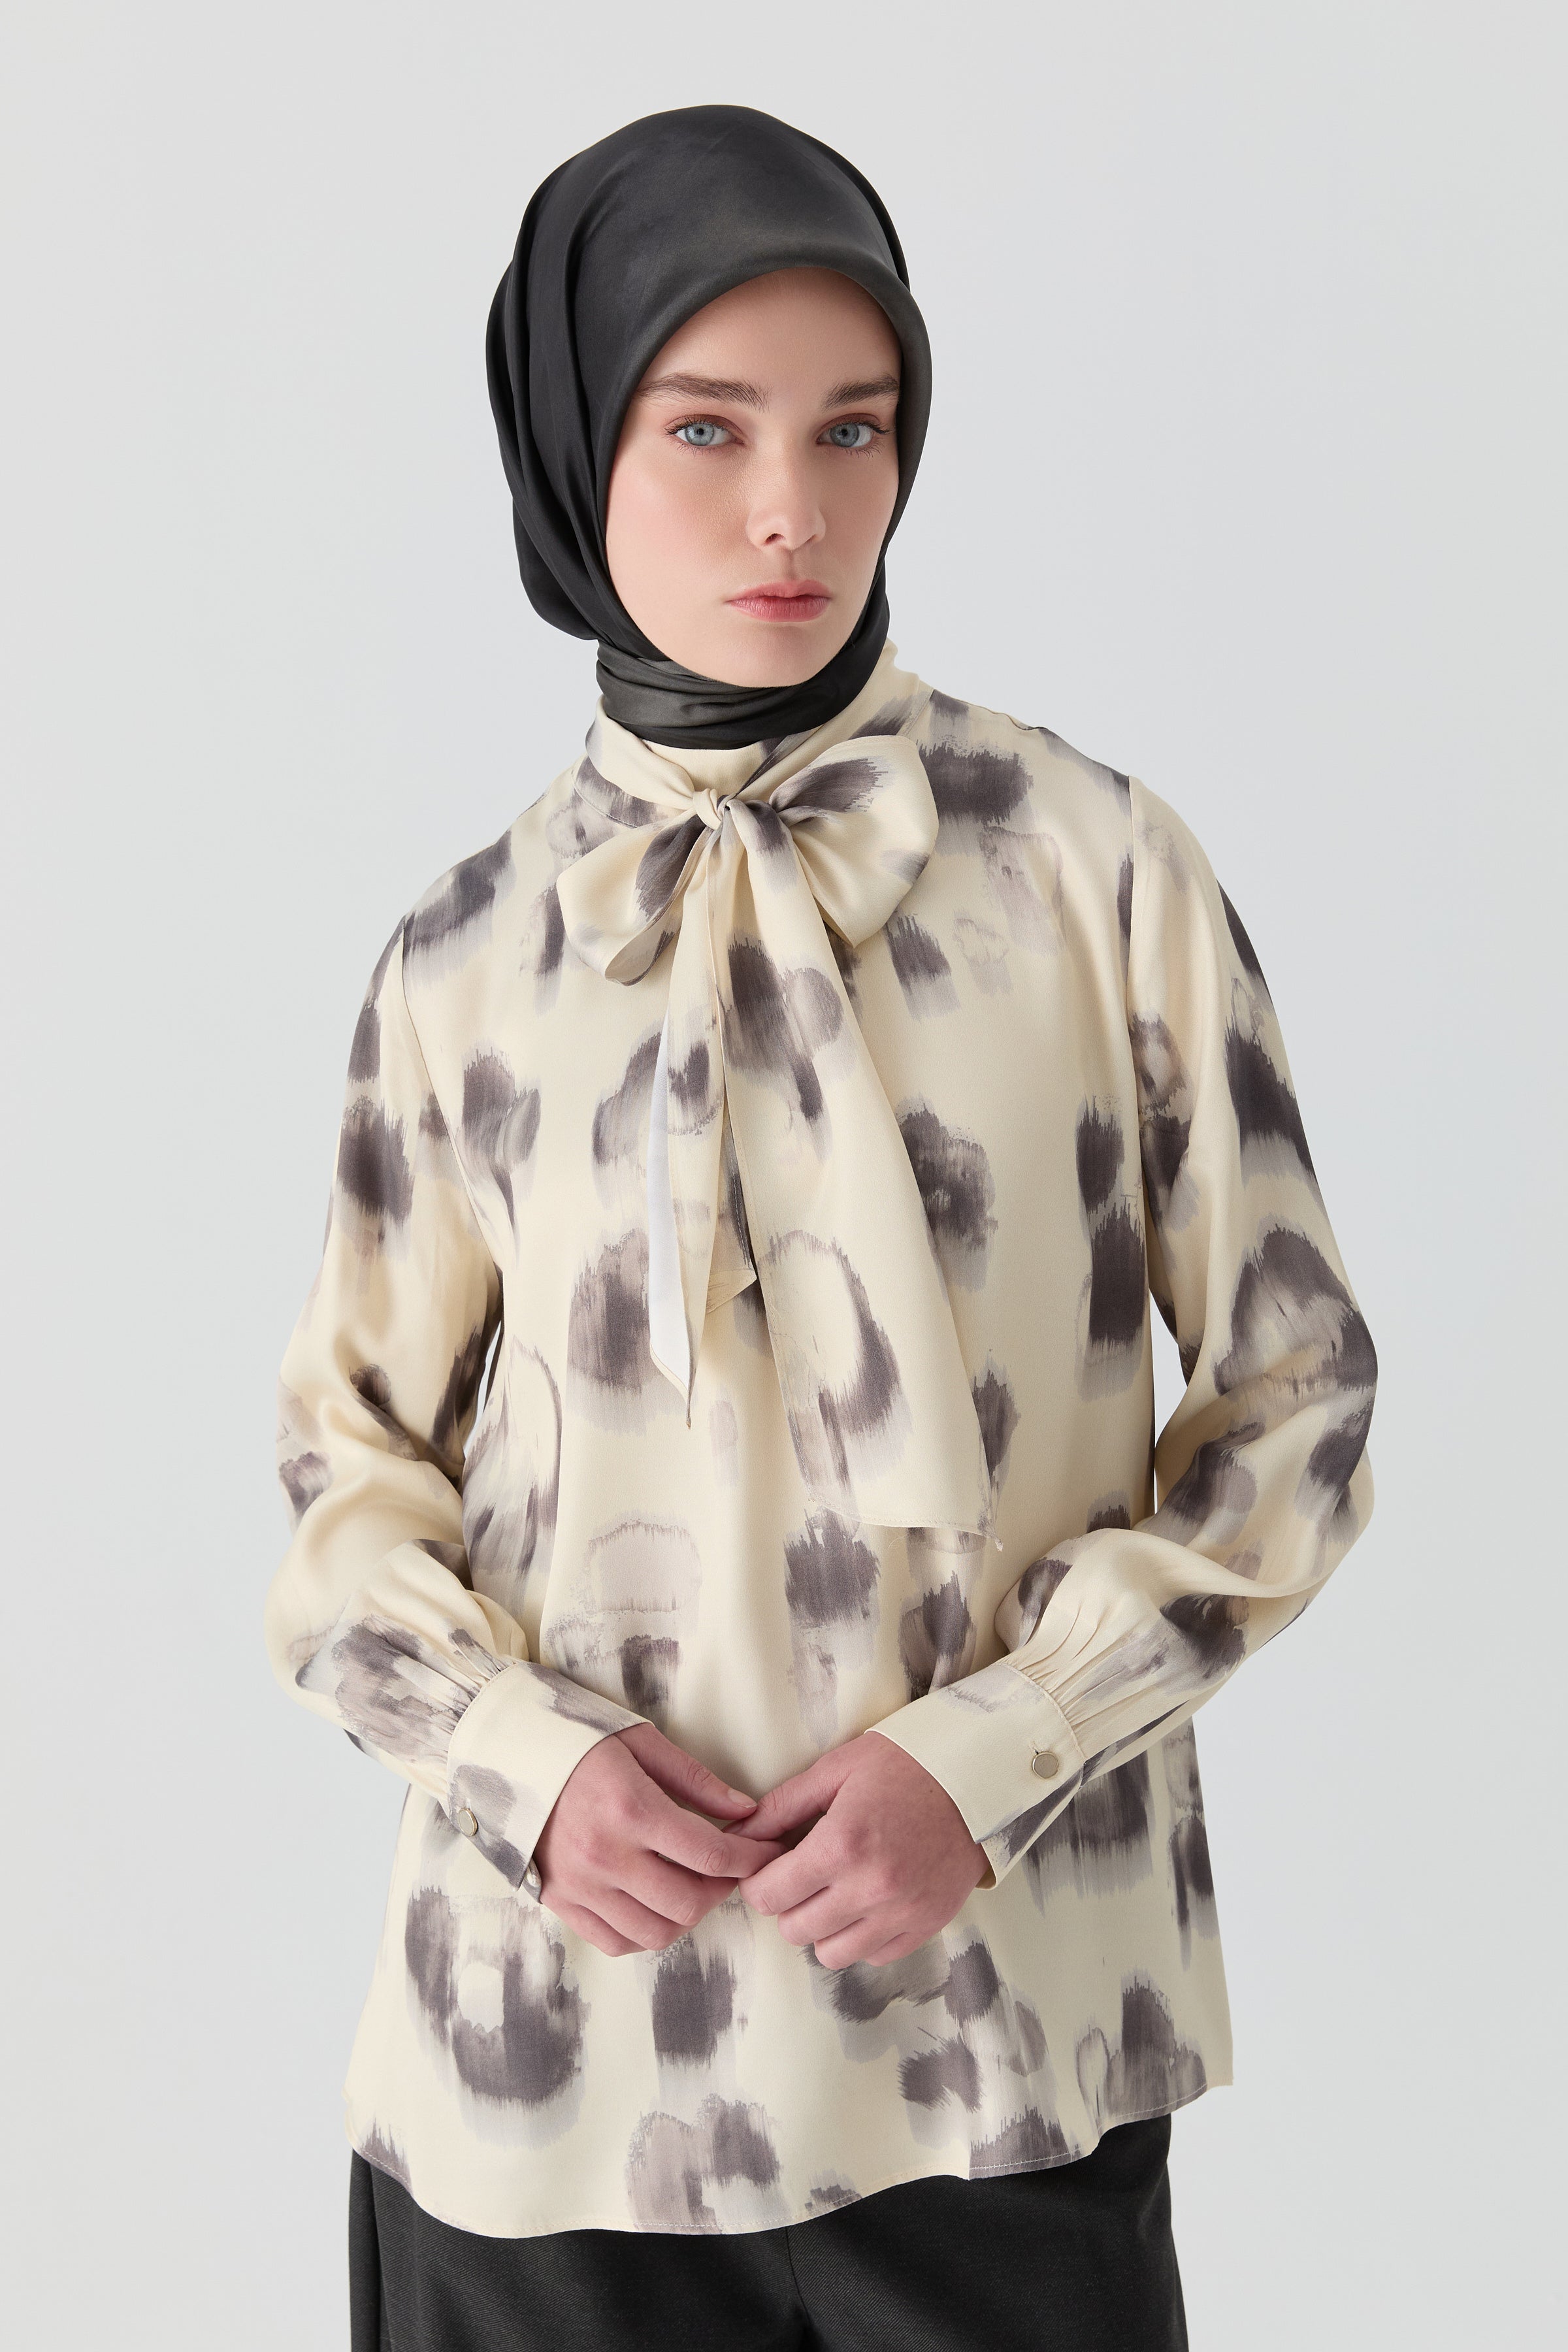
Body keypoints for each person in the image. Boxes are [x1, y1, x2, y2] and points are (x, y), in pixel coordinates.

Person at [265, 103, 1377, 2352]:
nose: (794, 509)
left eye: (852, 429)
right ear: (574, 445)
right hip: (547, 2072)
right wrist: (524, 1770)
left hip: (1001, 2045)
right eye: (705, 428)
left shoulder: (1098, 871)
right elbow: (343, 1480)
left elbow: (1298, 1406)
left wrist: (1006, 1750)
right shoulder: (467, 954)